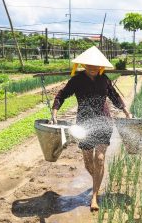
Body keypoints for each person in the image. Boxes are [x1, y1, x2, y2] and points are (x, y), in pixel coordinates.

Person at [51, 46, 130, 211]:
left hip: (103, 121)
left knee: (99, 159)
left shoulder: (104, 79)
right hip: (84, 125)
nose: (93, 68)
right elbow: (61, 95)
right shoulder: (77, 80)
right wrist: (54, 112)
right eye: (89, 65)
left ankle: (94, 196)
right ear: (84, 65)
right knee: (88, 163)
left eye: (96, 66)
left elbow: (114, 96)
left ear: (100, 65)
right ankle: (98, 179)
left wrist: (125, 110)